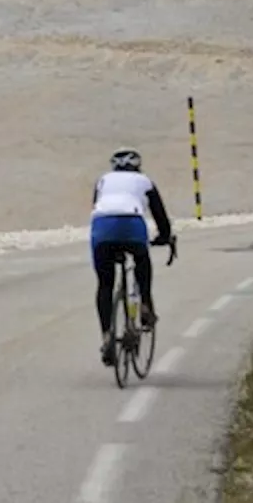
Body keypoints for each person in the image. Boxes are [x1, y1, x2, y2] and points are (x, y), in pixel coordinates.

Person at [90, 147, 173, 367]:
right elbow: (160, 215)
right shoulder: (144, 181)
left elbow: (97, 205)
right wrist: (165, 237)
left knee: (105, 284)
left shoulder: (103, 180)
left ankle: (107, 335)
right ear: (137, 166)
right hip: (131, 225)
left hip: (102, 227)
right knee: (142, 260)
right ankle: (145, 303)